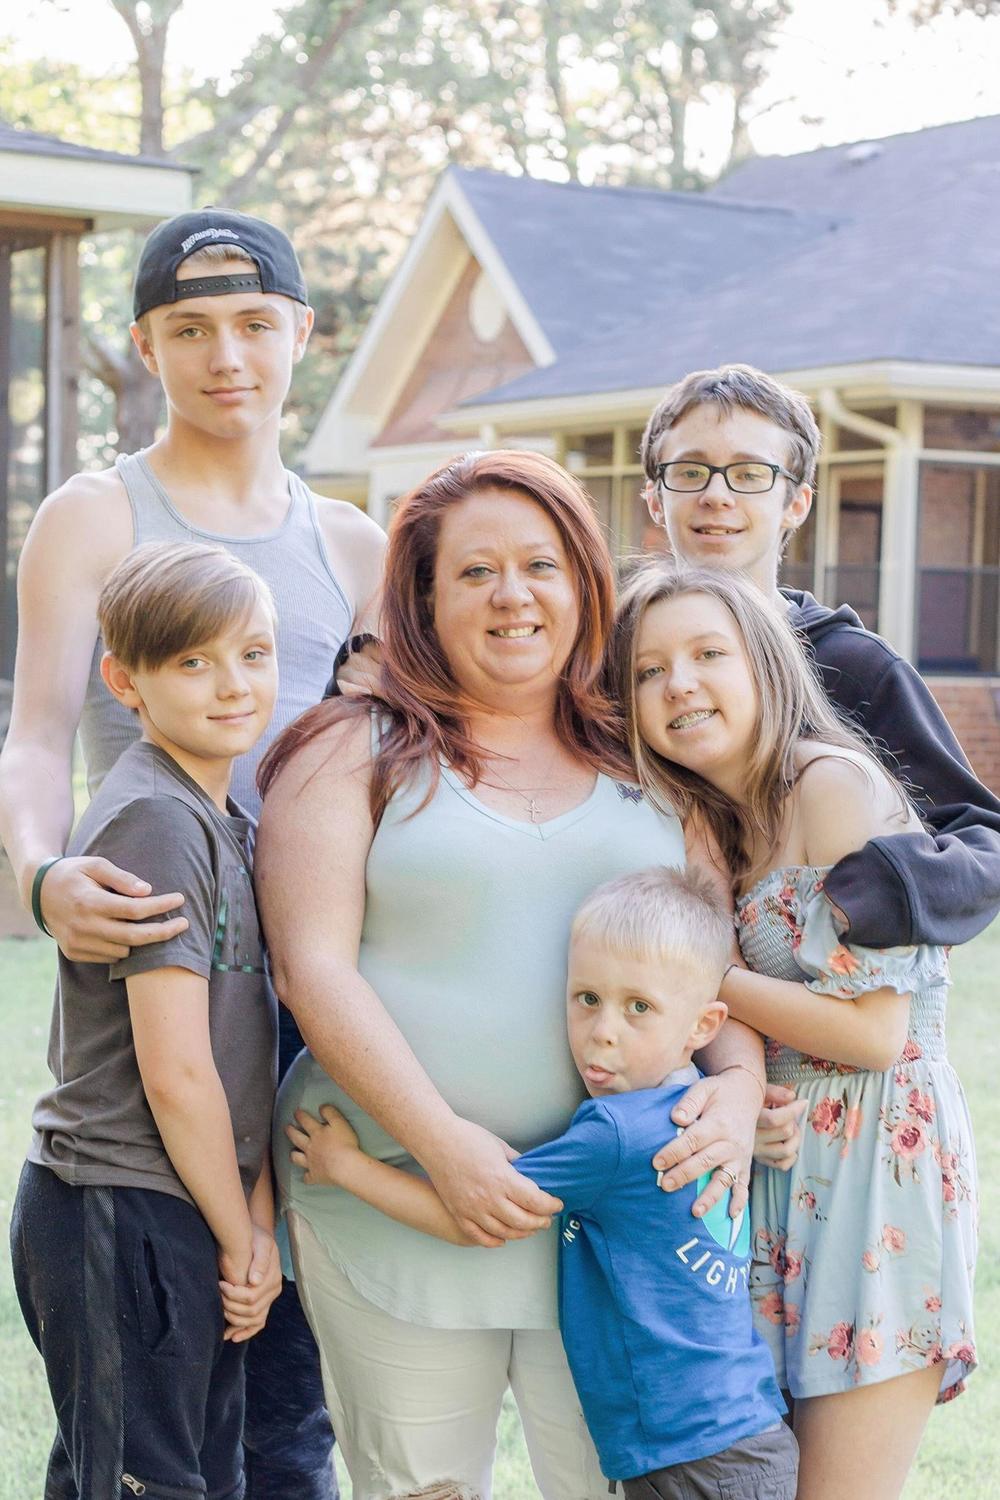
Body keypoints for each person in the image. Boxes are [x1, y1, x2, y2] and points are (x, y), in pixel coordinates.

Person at [254, 450, 768, 1500]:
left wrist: (742, 1088)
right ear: (424, 600)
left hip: (614, 1235)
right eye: (474, 572)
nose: (511, 595)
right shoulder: (350, 749)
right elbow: (312, 970)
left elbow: (718, 970)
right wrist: (444, 1149)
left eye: (541, 564)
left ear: (584, 584)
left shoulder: (655, 765)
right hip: (394, 1200)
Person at [0, 208, 386, 1498]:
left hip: (309, 1017)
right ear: (145, 347)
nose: (227, 354)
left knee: (286, 1411)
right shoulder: (95, 513)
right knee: (151, 1438)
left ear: (301, 337)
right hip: (165, 1013)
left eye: (253, 324)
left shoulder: (350, 547)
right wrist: (39, 878)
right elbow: (37, 734)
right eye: (190, 329)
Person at [606, 562, 977, 1500]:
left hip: (873, 1180)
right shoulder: (712, 823)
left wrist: (700, 977)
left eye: (706, 654)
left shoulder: (833, 786)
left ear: (766, 665)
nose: (678, 684)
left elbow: (874, 1034)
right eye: (648, 672)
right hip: (773, 1176)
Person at [285, 866, 799, 1500]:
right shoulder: (704, 1110)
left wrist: (348, 1167)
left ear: (703, 1026)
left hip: (686, 1455)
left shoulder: (616, 1132)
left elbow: (478, 1215)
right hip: (747, 1432)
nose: (604, 1029)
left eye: (639, 1007)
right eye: (587, 999)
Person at [9, 541, 284, 1500]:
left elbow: (237, 1051)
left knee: (183, 1478)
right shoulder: (156, 821)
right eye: (191, 662)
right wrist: (242, 1238)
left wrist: (249, 1216)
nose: (231, 686)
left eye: (253, 654)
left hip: (181, 1201)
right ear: (124, 681)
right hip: (115, 1203)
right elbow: (176, 1073)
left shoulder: (224, 817)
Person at [640, 362, 1000, 951]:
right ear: (656, 498)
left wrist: (873, 893)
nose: (715, 494)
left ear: (797, 503)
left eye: (750, 473)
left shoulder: (852, 666)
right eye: (690, 471)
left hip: (814, 1010)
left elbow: (981, 836)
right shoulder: (618, 667)